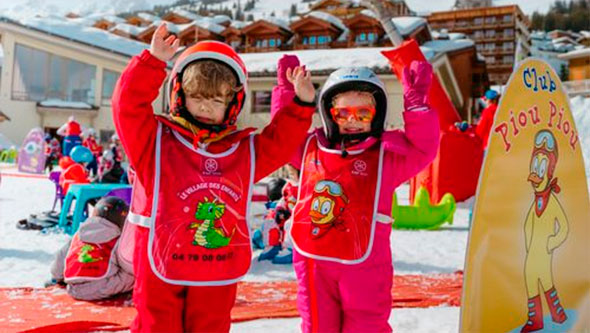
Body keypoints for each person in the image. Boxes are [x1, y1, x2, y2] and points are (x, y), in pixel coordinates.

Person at [112, 23, 315, 332]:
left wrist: (300, 106)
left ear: (232, 105)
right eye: (198, 96)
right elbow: (127, 107)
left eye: (217, 100)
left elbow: (279, 143)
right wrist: (152, 62)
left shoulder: (241, 152)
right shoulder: (153, 141)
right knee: (156, 326)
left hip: (216, 267)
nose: (206, 106)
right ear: (180, 94)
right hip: (160, 262)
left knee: (211, 325)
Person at [273, 56, 440, 332]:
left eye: (363, 114)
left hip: (365, 266)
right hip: (314, 263)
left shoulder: (387, 157)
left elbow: (423, 150)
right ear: (329, 113)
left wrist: (417, 105)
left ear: (376, 116)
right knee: (317, 324)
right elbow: (283, 137)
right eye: (343, 113)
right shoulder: (309, 148)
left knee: (366, 324)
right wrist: (288, 95)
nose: (352, 121)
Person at [49, 197, 133, 300]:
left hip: (73, 288)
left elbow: (60, 259)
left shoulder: (78, 236)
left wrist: (57, 277)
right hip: (103, 287)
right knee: (133, 276)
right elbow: (128, 265)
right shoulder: (117, 239)